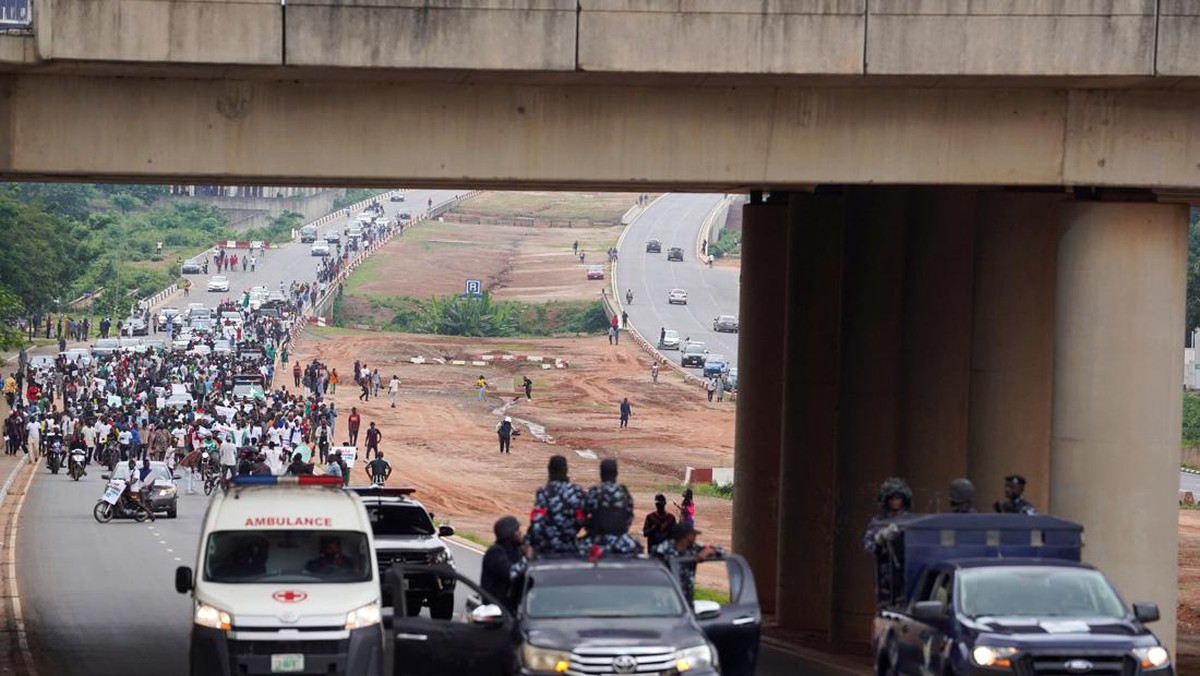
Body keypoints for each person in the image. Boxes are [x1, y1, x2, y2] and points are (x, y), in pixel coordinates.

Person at [864, 477, 912, 606]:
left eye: (898, 498)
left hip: (907, 572)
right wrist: (879, 540)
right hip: (886, 574)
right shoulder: (878, 521)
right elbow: (868, 545)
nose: (895, 502)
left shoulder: (911, 521)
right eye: (891, 498)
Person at [526, 455, 588, 555]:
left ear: (549, 470)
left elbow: (536, 522)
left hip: (547, 547)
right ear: (566, 470)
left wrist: (529, 541)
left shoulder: (544, 492)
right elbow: (582, 519)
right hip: (571, 546)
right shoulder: (576, 491)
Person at [580, 459, 641, 556]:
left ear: (601, 473)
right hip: (620, 540)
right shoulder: (623, 492)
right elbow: (629, 515)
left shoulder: (595, 491)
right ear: (616, 473)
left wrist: (589, 528)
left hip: (597, 540)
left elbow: (582, 514)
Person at [653, 523, 723, 603]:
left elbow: (721, 551)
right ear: (687, 536)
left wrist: (708, 551)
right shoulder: (663, 549)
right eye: (693, 534)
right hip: (667, 596)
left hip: (686, 598)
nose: (695, 537)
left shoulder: (693, 548)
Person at [481, 516, 526, 612]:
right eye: (517, 530)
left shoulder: (517, 551)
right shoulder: (495, 553)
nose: (520, 533)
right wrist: (527, 558)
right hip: (496, 611)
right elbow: (511, 574)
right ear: (511, 533)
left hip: (513, 609)